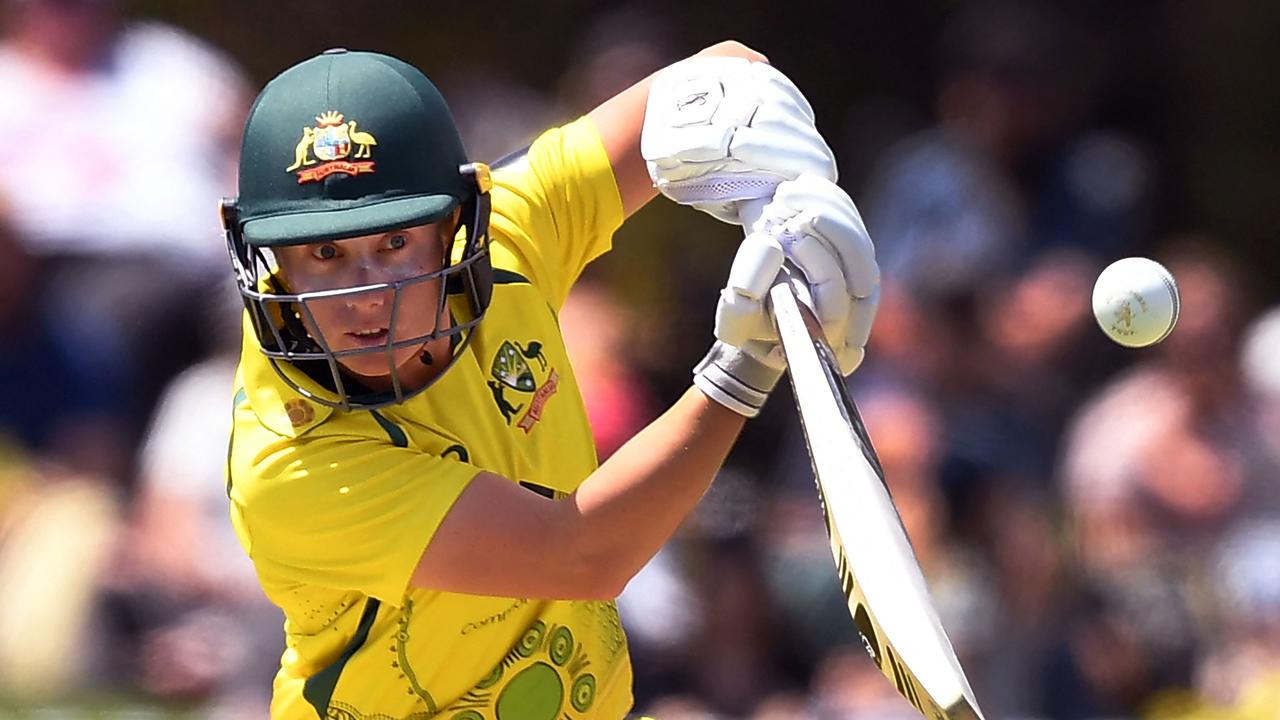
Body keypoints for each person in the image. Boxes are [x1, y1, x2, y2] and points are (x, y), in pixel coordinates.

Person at [222, 44, 879, 718]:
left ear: (455, 224)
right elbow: (582, 555)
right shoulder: (291, 466)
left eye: (393, 243)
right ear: (266, 256)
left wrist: (790, 184)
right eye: (325, 253)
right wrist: (749, 360)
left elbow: (723, 73)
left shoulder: (509, 234)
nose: (365, 294)